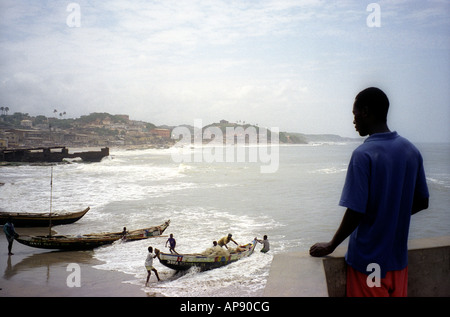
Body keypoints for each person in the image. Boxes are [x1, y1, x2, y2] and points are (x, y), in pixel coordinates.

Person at [309, 87, 429, 297]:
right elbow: (422, 202)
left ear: (365, 112)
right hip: (398, 264)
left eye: (355, 115)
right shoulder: (411, 151)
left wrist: (331, 245)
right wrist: (391, 215)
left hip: (369, 265)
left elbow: (356, 211)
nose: (354, 122)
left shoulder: (363, 155)